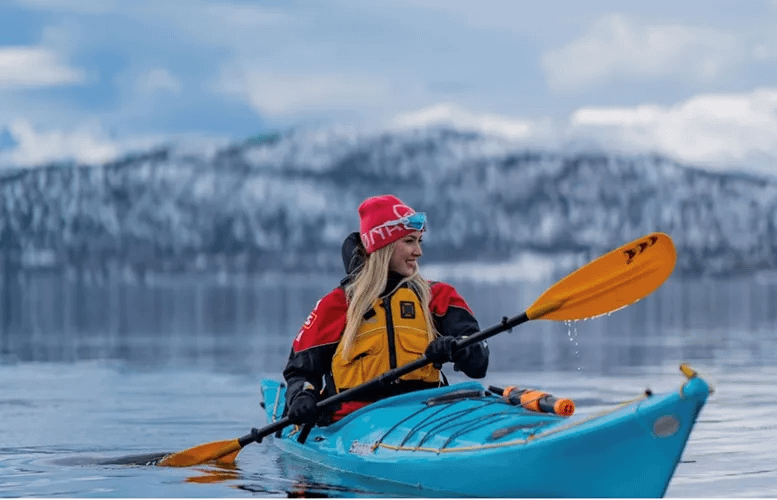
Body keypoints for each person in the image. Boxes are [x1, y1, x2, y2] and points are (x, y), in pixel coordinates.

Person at [282, 194, 489, 425]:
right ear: (385, 246)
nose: (418, 251)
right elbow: (299, 372)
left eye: (419, 241)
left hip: (425, 415)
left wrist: (457, 348)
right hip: (354, 423)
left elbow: (479, 363)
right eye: (409, 241)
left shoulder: (437, 297)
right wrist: (302, 395)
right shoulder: (338, 304)